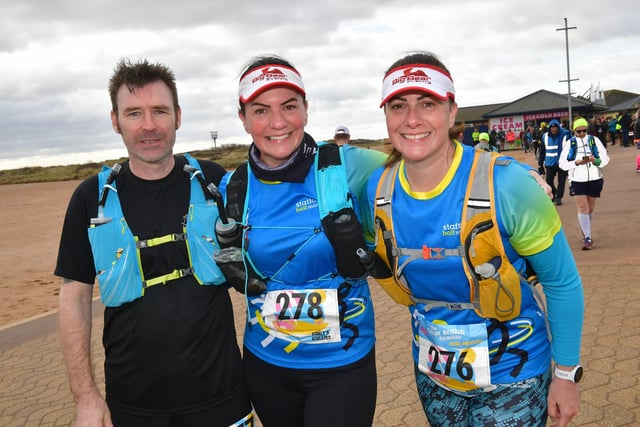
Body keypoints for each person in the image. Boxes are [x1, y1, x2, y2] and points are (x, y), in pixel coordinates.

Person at [364, 51, 583, 427]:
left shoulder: (508, 185)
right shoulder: (376, 190)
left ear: (452, 112)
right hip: (435, 375)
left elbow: (562, 283)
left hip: (515, 374)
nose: (412, 119)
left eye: (427, 104)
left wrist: (566, 375)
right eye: (398, 106)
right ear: (385, 116)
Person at [55, 59, 252, 426]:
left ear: (178, 116)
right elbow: (74, 296)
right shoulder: (90, 199)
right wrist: (86, 399)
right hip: (132, 408)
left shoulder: (212, 182)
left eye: (159, 111)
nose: (148, 126)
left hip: (223, 399)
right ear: (115, 121)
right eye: (134, 113)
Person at [219, 54, 387, 427]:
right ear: (243, 118)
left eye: (289, 107)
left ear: (306, 110)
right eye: (261, 110)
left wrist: (517, 174)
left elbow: (424, 162)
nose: (277, 122)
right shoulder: (232, 187)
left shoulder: (349, 165)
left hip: (342, 365)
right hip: (267, 366)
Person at [559, 117, 610, 250]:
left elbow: (605, 158)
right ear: (574, 131)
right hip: (577, 179)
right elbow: (562, 164)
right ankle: (587, 237)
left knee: (591, 208)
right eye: (578, 131)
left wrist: (596, 161)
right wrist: (576, 163)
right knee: (583, 207)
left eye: (584, 131)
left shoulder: (594, 141)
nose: (582, 133)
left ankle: (584, 228)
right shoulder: (570, 143)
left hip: (595, 178)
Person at [538, 118, 569, 205]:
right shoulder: (545, 137)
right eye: (552, 127)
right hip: (549, 163)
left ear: (558, 127)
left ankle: (559, 197)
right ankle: (554, 194)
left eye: (555, 127)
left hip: (562, 163)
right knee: (549, 180)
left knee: (561, 181)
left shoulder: (564, 136)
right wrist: (540, 164)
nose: (554, 129)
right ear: (549, 128)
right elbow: (542, 151)